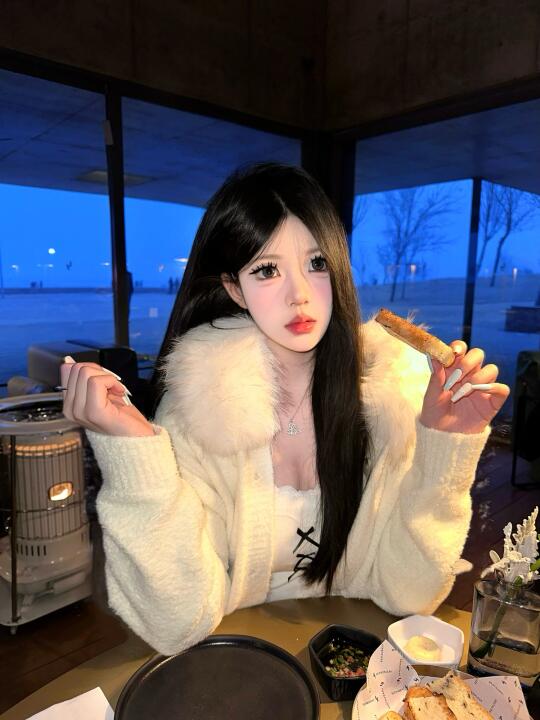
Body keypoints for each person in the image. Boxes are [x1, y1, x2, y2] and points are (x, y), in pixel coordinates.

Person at [61, 163, 509, 656]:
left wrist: (444, 446)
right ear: (234, 288)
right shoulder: (199, 407)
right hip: (244, 665)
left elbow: (409, 594)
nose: (300, 295)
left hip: (359, 664)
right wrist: (133, 455)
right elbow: (177, 623)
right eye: (267, 270)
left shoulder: (392, 398)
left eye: (316, 263)